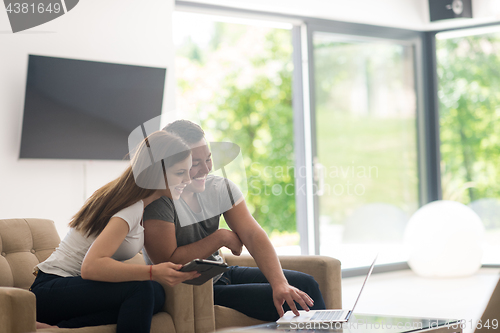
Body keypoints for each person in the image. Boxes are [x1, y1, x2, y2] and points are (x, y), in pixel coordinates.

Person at [143, 120, 325, 322]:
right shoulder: (159, 201)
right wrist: (219, 237)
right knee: (291, 303)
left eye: (208, 159)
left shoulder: (219, 188)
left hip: (222, 273)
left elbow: (253, 235)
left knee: (306, 285)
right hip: (192, 289)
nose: (206, 169)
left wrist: (280, 283)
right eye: (195, 164)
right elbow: (169, 261)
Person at [30, 131, 200, 332]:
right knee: (144, 287)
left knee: (156, 293)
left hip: (72, 289)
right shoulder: (131, 207)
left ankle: (60, 328)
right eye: (180, 173)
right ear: (155, 171)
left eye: (189, 171)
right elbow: (91, 267)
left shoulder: (142, 204)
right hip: (51, 289)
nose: (188, 179)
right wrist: (152, 272)